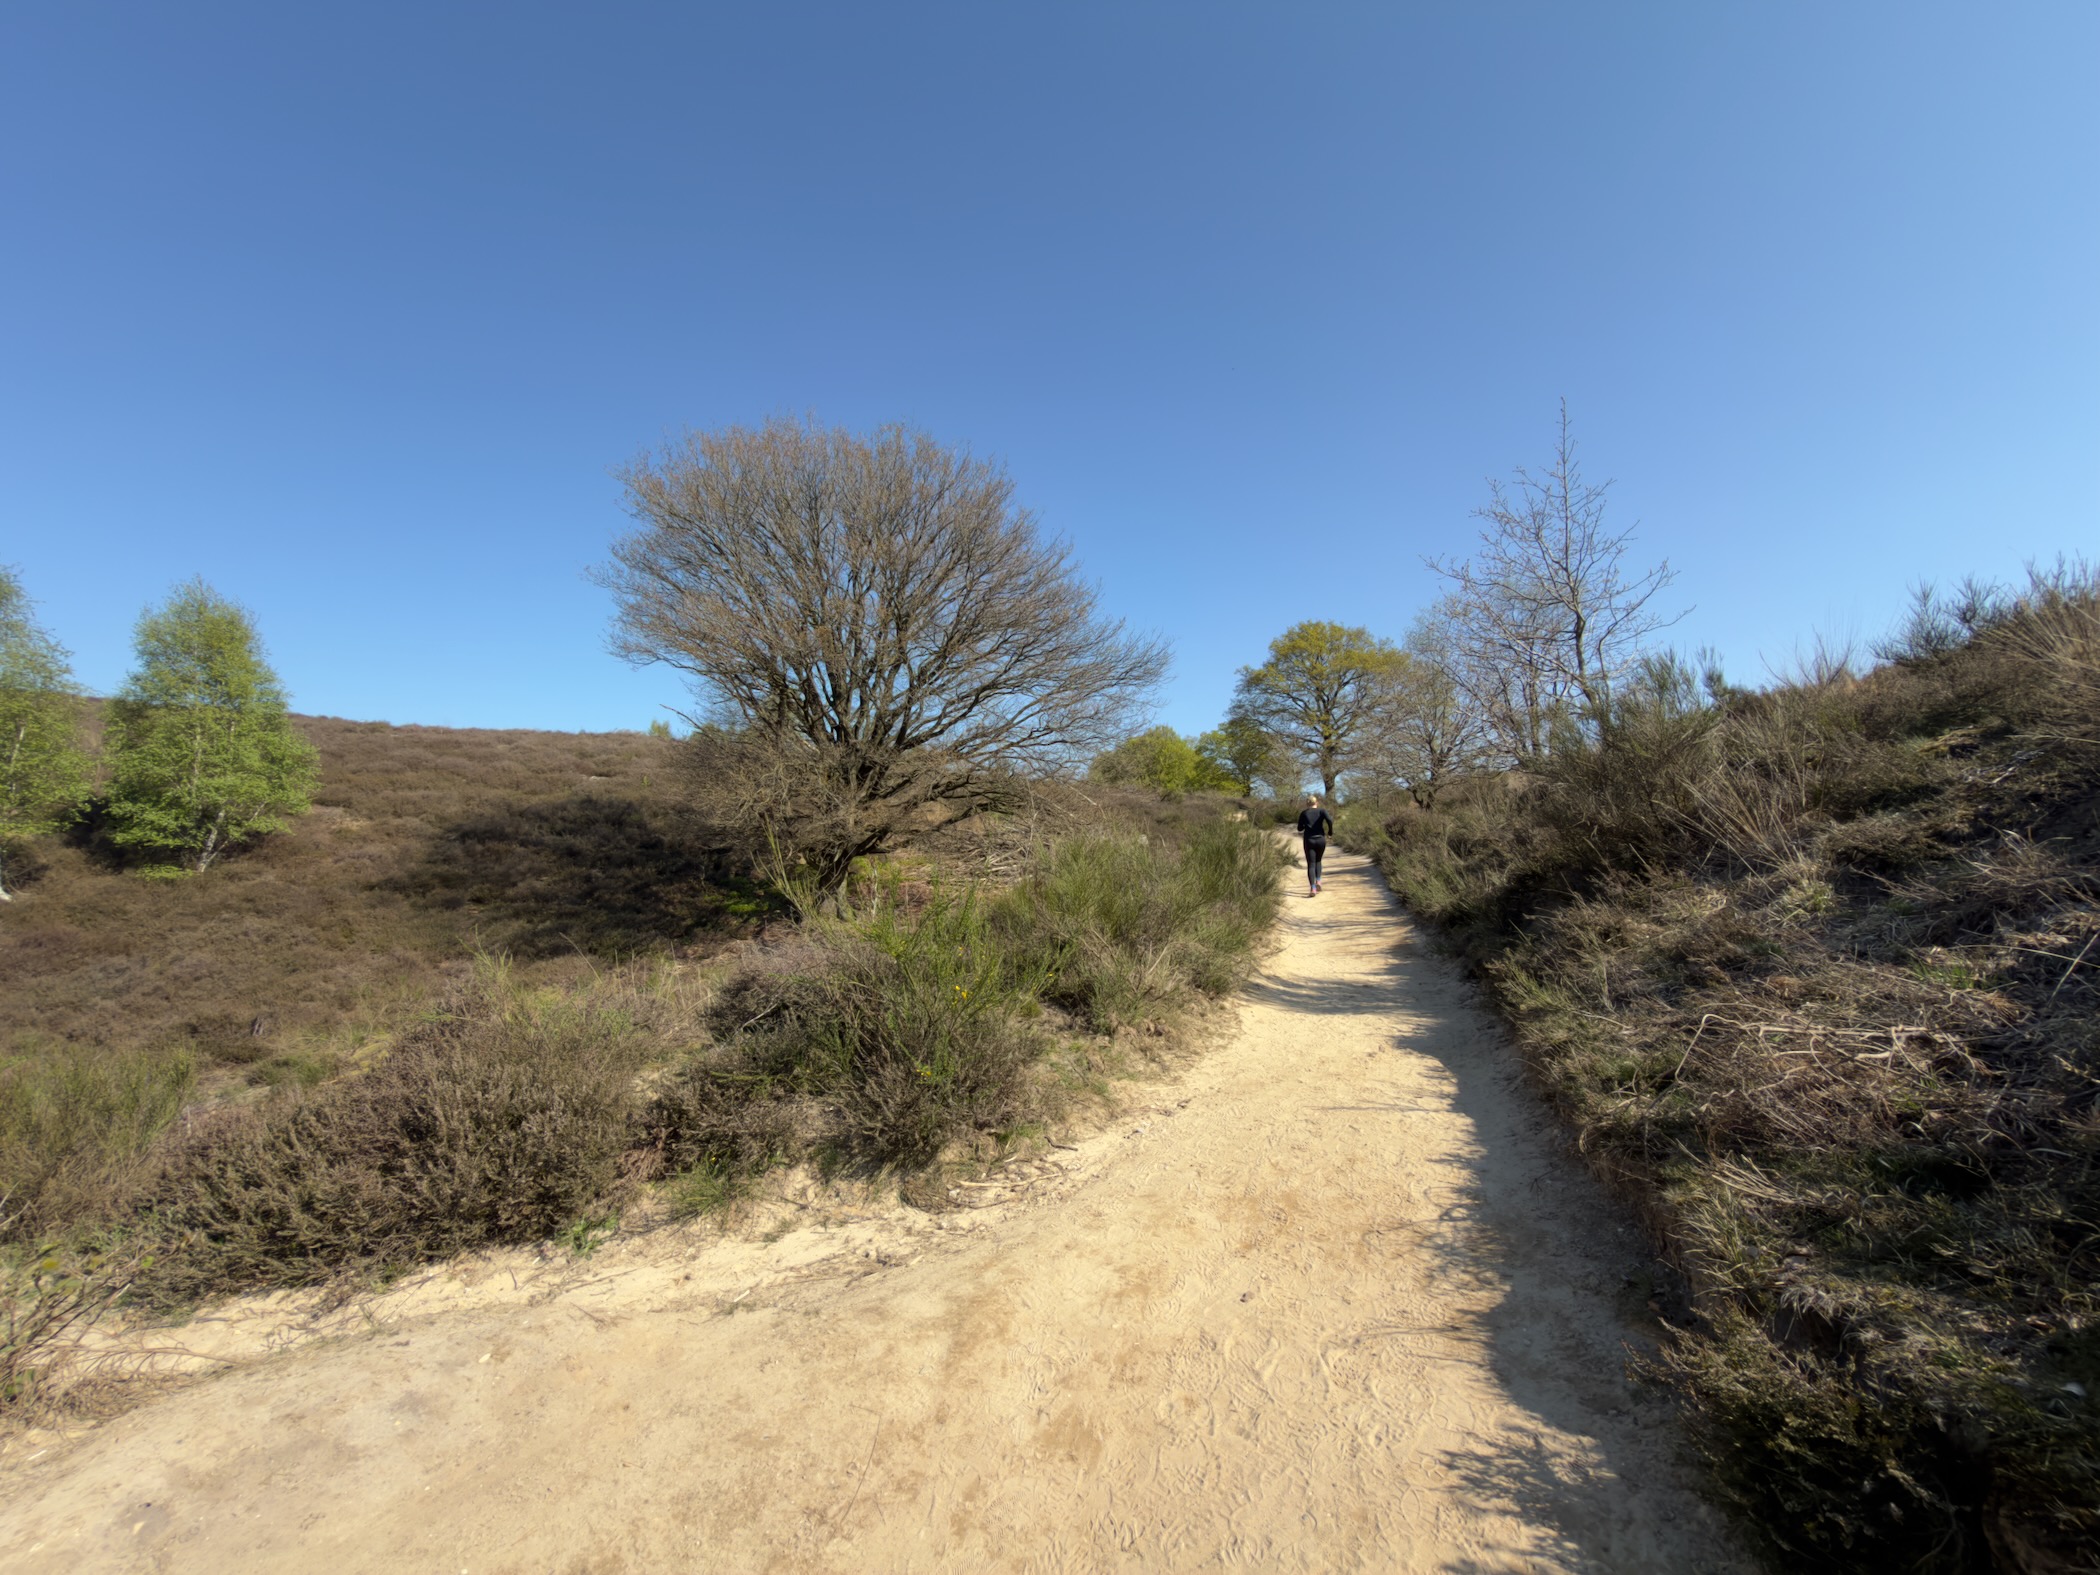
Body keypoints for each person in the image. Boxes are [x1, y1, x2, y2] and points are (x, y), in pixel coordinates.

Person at [1296, 793, 1333, 895]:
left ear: (1307, 804)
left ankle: (1313, 888)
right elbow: (1329, 820)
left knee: (1311, 864)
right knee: (1318, 861)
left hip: (1309, 840)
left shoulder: (1304, 813)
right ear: (1316, 802)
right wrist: (1330, 831)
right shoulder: (1322, 811)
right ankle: (1319, 881)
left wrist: (1304, 825)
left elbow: (1299, 828)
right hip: (1321, 839)